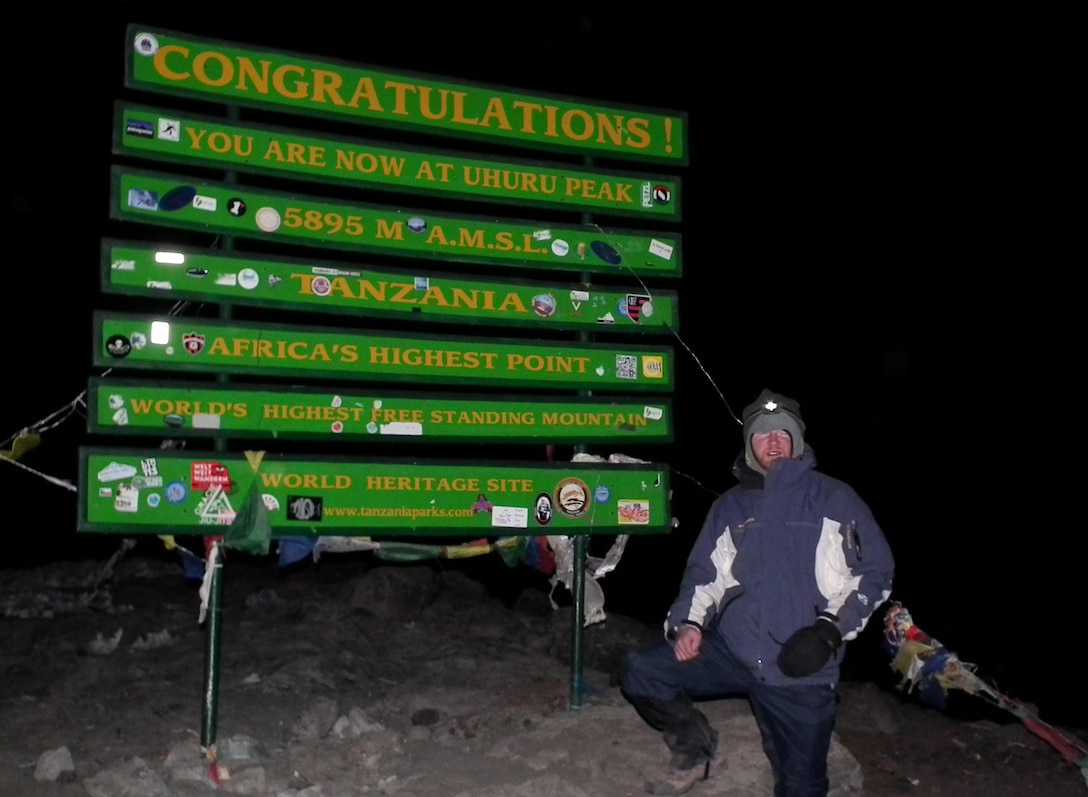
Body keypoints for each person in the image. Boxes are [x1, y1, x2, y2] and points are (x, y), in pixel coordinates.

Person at [620, 388, 895, 796]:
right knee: (642, 672)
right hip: (735, 653)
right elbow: (703, 576)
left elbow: (876, 572)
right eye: (763, 435)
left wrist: (827, 633)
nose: (774, 441)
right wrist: (689, 624)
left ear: (797, 441)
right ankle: (696, 748)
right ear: (750, 446)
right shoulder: (730, 507)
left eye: (783, 433)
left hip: (801, 668)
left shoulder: (835, 498)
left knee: (801, 786)